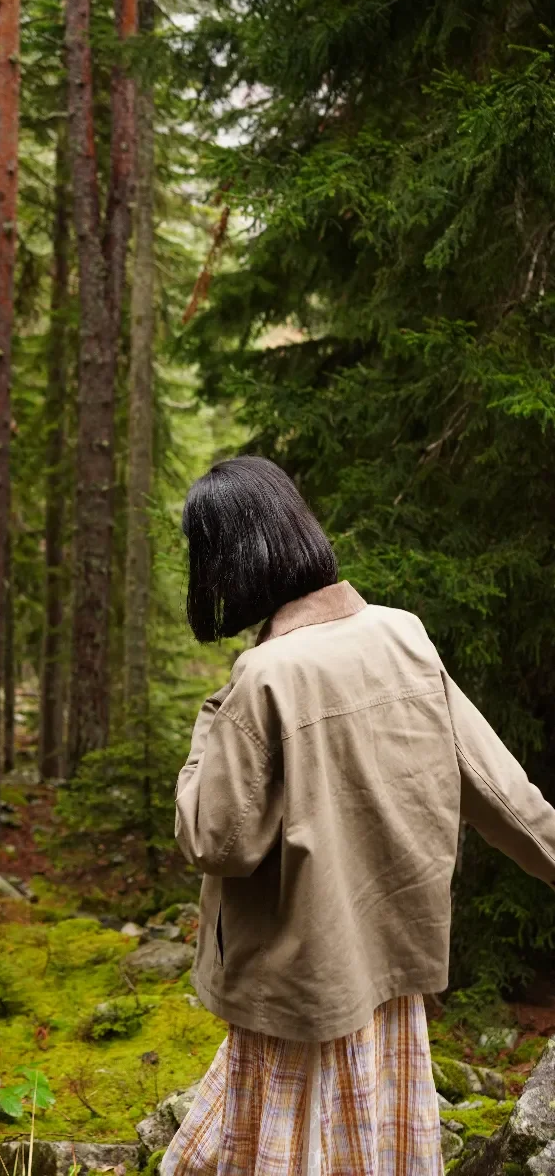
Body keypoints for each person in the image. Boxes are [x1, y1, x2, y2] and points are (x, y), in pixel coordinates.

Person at [163, 456, 555, 1176]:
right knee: (379, 1151)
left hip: (296, 989)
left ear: (234, 556)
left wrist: (213, 718)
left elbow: (215, 840)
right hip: (388, 974)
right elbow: (502, 794)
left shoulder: (264, 676)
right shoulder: (400, 635)